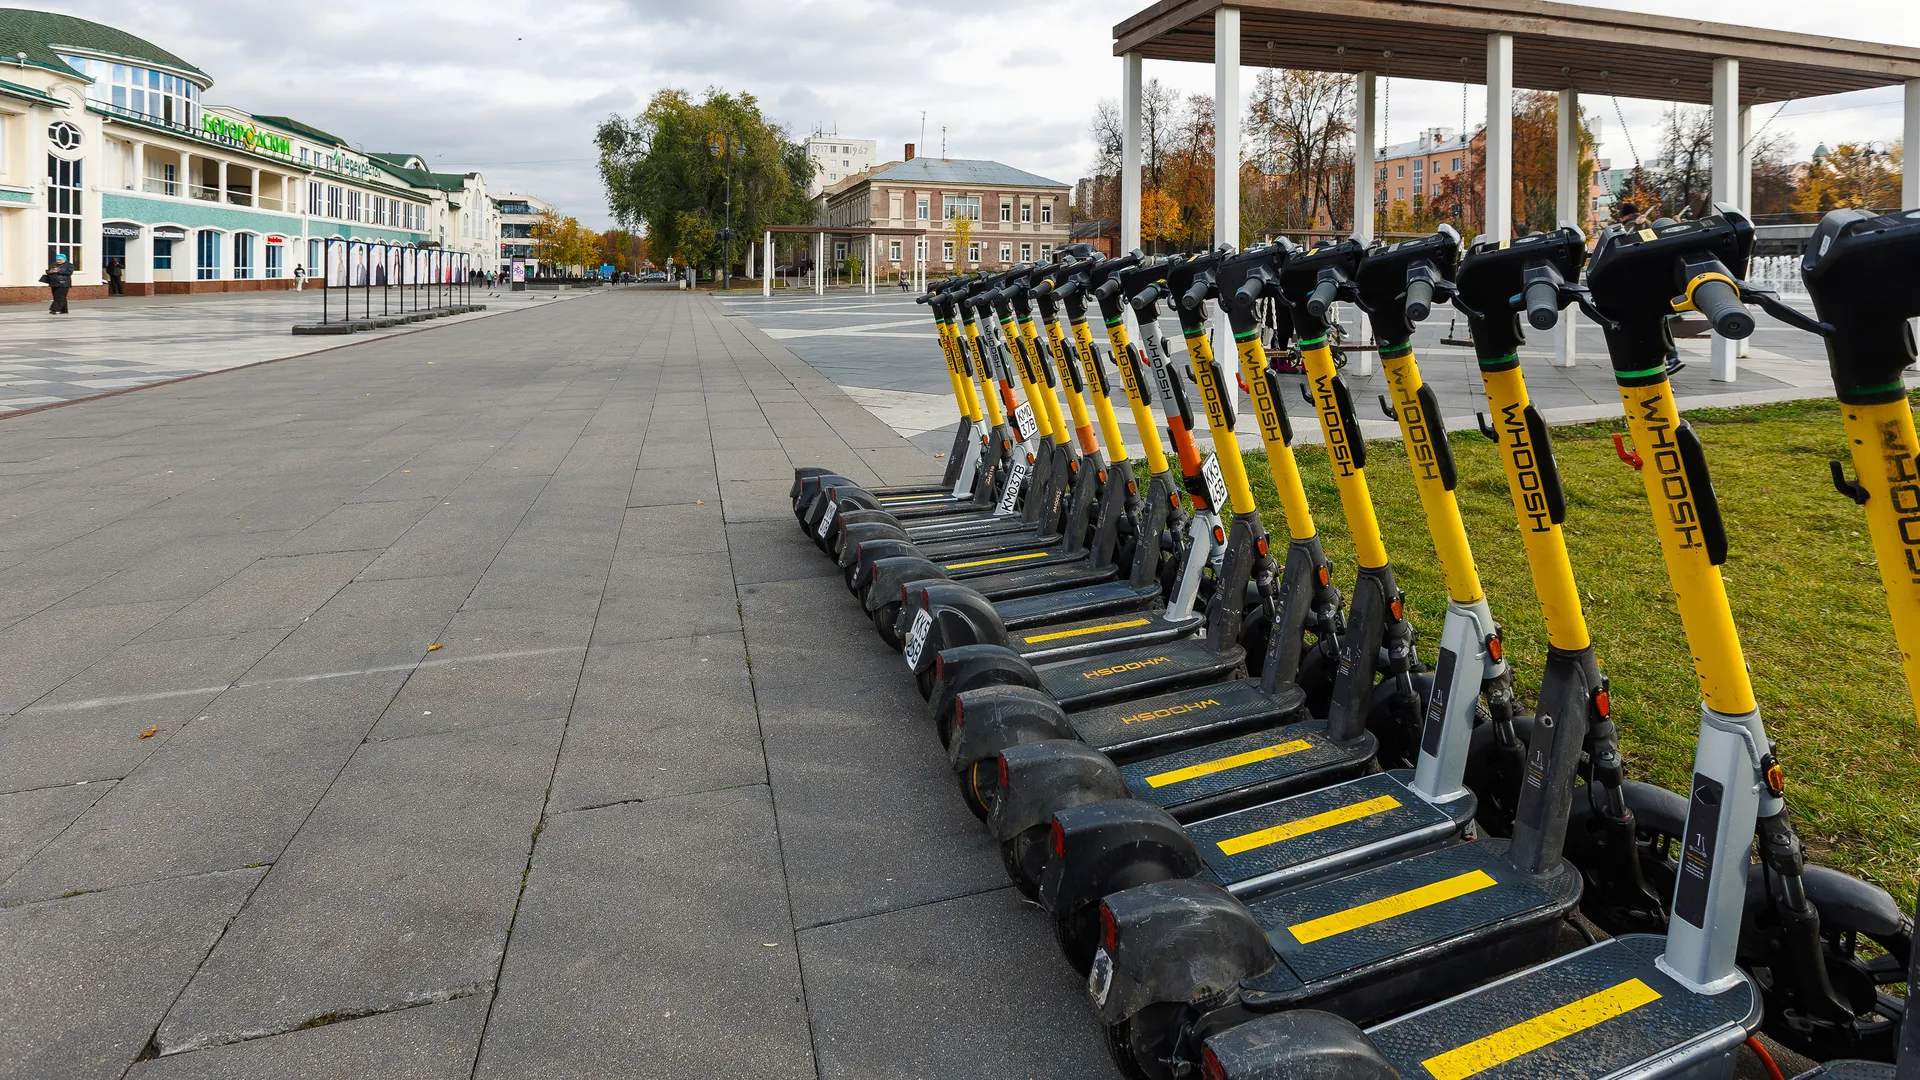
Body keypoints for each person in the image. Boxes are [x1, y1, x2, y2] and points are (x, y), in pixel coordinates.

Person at [1614, 201, 1686, 377]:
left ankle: (1663, 361)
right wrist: (1677, 225)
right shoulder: (1647, 224)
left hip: (1643, 285)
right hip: (1657, 284)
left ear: (1626, 215)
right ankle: (1667, 359)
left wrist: (1639, 226)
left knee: (1648, 326)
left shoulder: (1633, 225)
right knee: (1657, 324)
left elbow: (1632, 242)